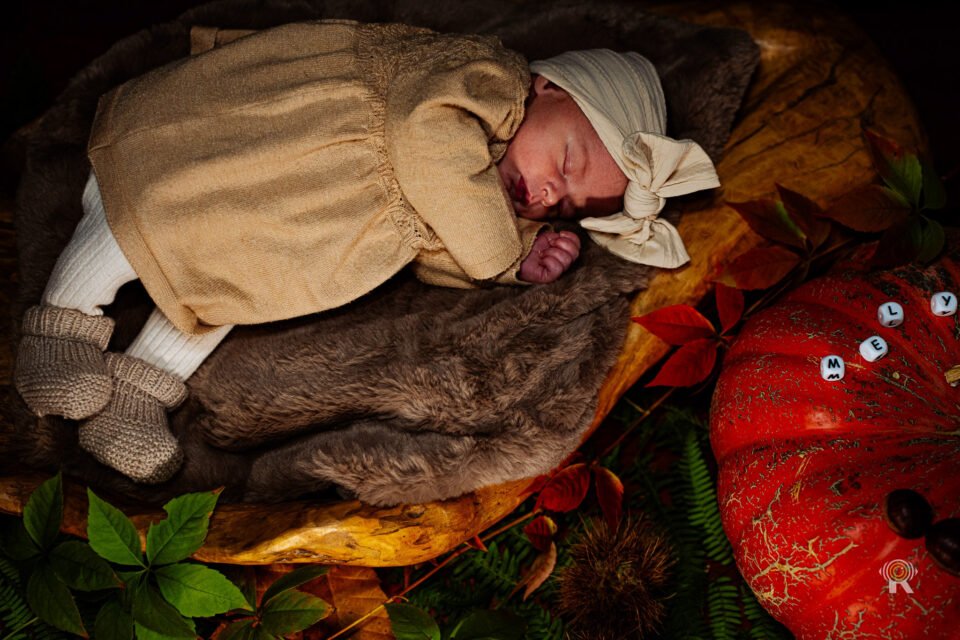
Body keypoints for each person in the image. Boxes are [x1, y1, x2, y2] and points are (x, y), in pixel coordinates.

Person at [14, 21, 719, 484]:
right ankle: (62, 320)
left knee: (240, 285)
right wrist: (502, 255)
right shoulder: (479, 84)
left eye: (565, 205)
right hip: (253, 155)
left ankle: (139, 388)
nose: (546, 193)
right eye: (564, 160)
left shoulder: (486, 196)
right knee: (150, 215)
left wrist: (520, 264)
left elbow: (436, 254)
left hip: (297, 230)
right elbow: (428, 150)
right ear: (548, 85)